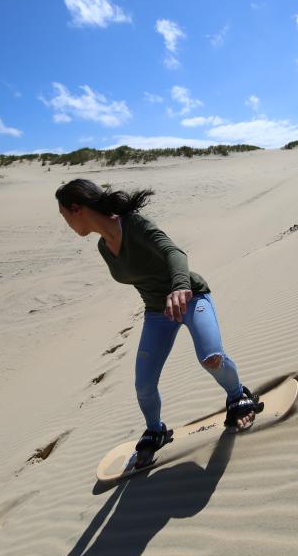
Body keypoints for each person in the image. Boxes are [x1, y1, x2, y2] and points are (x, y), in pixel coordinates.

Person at [56, 178, 261, 466]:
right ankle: (156, 430)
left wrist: (179, 286)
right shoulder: (104, 247)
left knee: (211, 358)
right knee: (144, 384)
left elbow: (174, 253)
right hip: (157, 311)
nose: (66, 223)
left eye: (64, 215)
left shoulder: (134, 224)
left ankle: (237, 395)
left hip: (191, 298)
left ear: (76, 208)